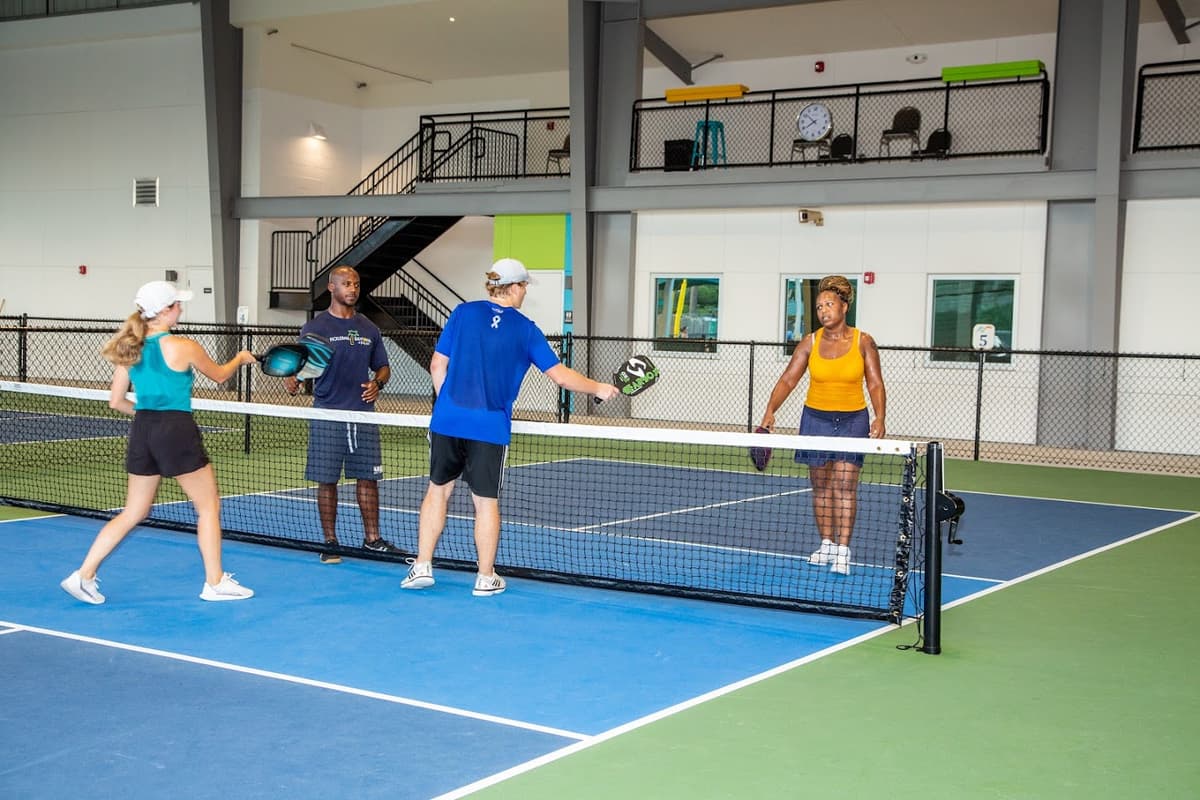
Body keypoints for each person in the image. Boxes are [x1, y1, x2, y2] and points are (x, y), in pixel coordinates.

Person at [401, 258, 620, 596]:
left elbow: (436, 364)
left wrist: (450, 405)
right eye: (524, 286)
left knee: (437, 491)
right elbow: (560, 376)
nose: (524, 291)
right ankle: (485, 577)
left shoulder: (462, 313)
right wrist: (600, 388)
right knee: (484, 501)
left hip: (447, 419)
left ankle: (422, 566)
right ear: (515, 287)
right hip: (489, 427)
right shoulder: (525, 329)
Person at [60, 280, 257, 604]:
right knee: (208, 506)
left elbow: (116, 401)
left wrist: (150, 413)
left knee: (133, 511)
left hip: (143, 429)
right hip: (175, 429)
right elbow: (221, 376)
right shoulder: (183, 345)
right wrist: (240, 358)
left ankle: (83, 575)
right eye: (177, 304)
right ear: (165, 311)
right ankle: (215, 582)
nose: (181, 308)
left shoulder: (131, 348)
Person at [758, 275, 886, 576]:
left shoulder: (863, 341)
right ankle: (826, 543)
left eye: (829, 304)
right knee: (820, 487)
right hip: (815, 418)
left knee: (844, 486)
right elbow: (789, 378)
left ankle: (843, 550)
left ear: (844, 306)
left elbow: (875, 383)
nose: (823, 310)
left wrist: (880, 416)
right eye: (818, 307)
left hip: (854, 419)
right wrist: (770, 410)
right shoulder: (810, 342)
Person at [283, 265, 403, 563]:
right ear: (331, 288)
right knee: (327, 480)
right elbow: (305, 365)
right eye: (346, 283)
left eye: (356, 284)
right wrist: (294, 378)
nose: (352, 288)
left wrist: (378, 383)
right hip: (328, 414)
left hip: (363, 415)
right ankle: (330, 542)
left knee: (368, 479)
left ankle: (372, 540)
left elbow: (383, 366)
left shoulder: (369, 328)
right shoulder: (315, 328)